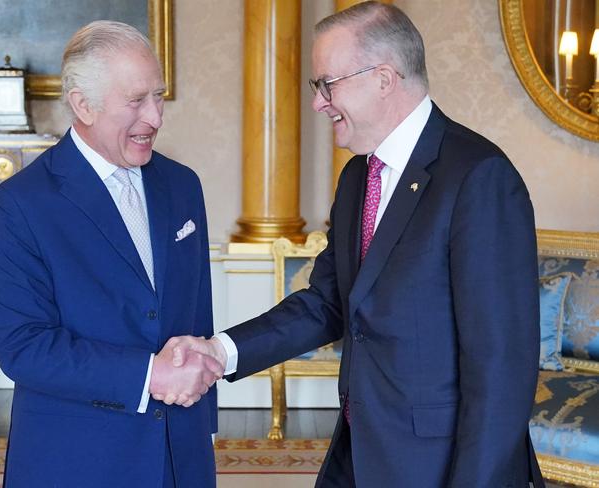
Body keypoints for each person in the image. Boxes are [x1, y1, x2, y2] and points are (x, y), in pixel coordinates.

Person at [166, 3, 545, 487]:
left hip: (443, 466)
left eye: (327, 84)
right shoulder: (358, 178)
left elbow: (500, 371)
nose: (319, 102)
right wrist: (221, 352)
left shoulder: (477, 177)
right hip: (361, 450)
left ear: (383, 78)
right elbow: (328, 302)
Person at [0, 21, 222, 487]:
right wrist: (148, 376)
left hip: (181, 452)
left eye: (159, 95)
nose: (155, 116)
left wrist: (201, 431)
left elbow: (198, 317)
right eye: (136, 101)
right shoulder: (21, 204)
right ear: (82, 105)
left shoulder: (182, 185)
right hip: (76, 460)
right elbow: (24, 347)